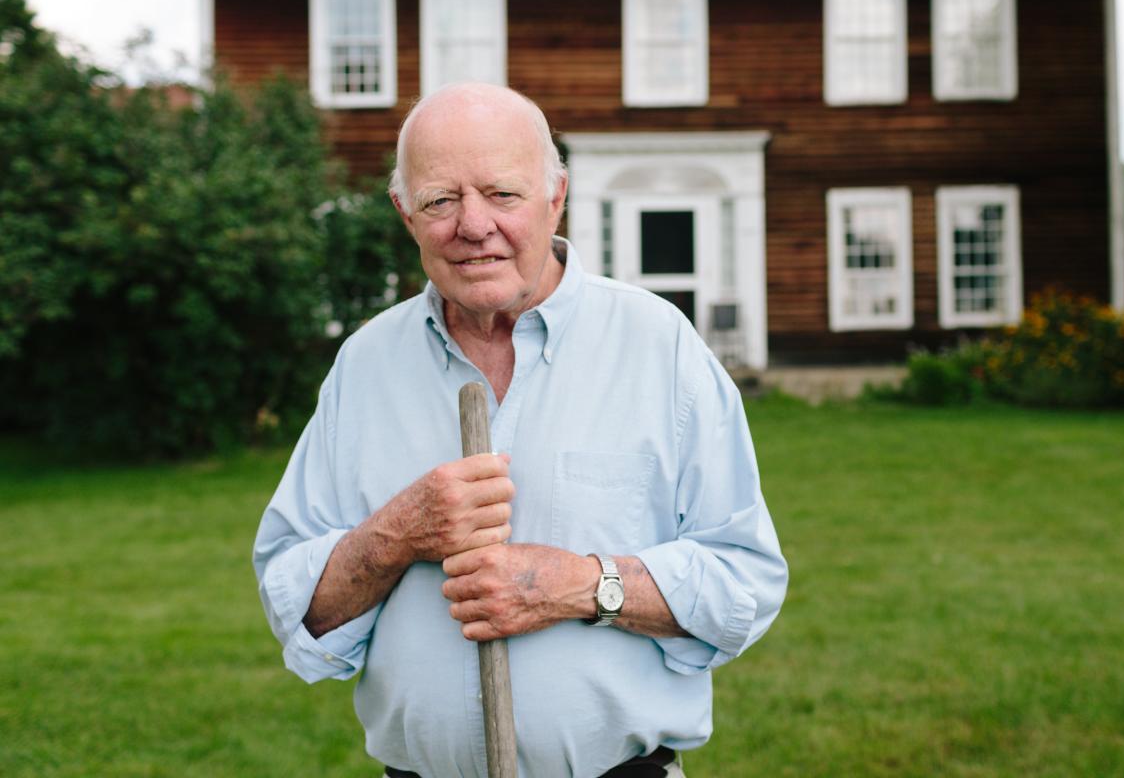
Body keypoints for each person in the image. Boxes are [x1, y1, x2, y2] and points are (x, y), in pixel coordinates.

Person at [253, 83, 787, 778]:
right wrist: (396, 534)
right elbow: (297, 604)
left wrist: (576, 584)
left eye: (502, 194)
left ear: (555, 197)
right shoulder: (365, 364)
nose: (473, 225)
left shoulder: (658, 346)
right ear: (404, 213)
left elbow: (742, 584)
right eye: (441, 200)